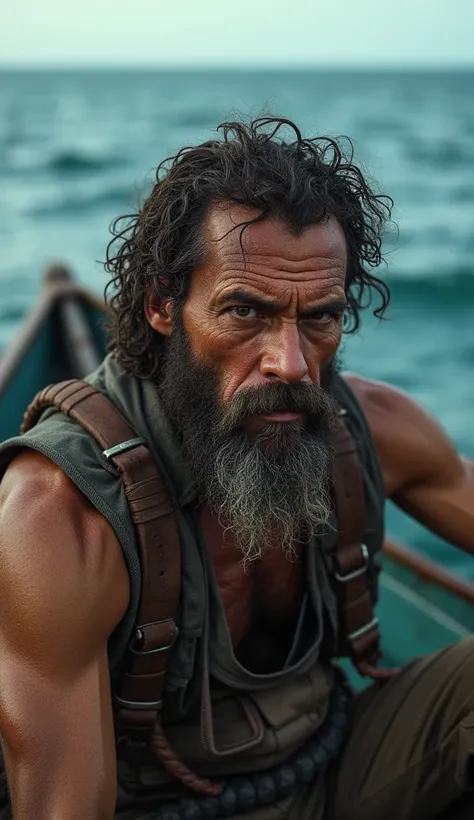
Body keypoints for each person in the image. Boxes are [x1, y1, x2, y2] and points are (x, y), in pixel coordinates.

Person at [0, 117, 473, 820]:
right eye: (245, 312)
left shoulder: (370, 427)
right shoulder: (58, 517)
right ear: (164, 305)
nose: (291, 362)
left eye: (319, 317)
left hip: (339, 765)